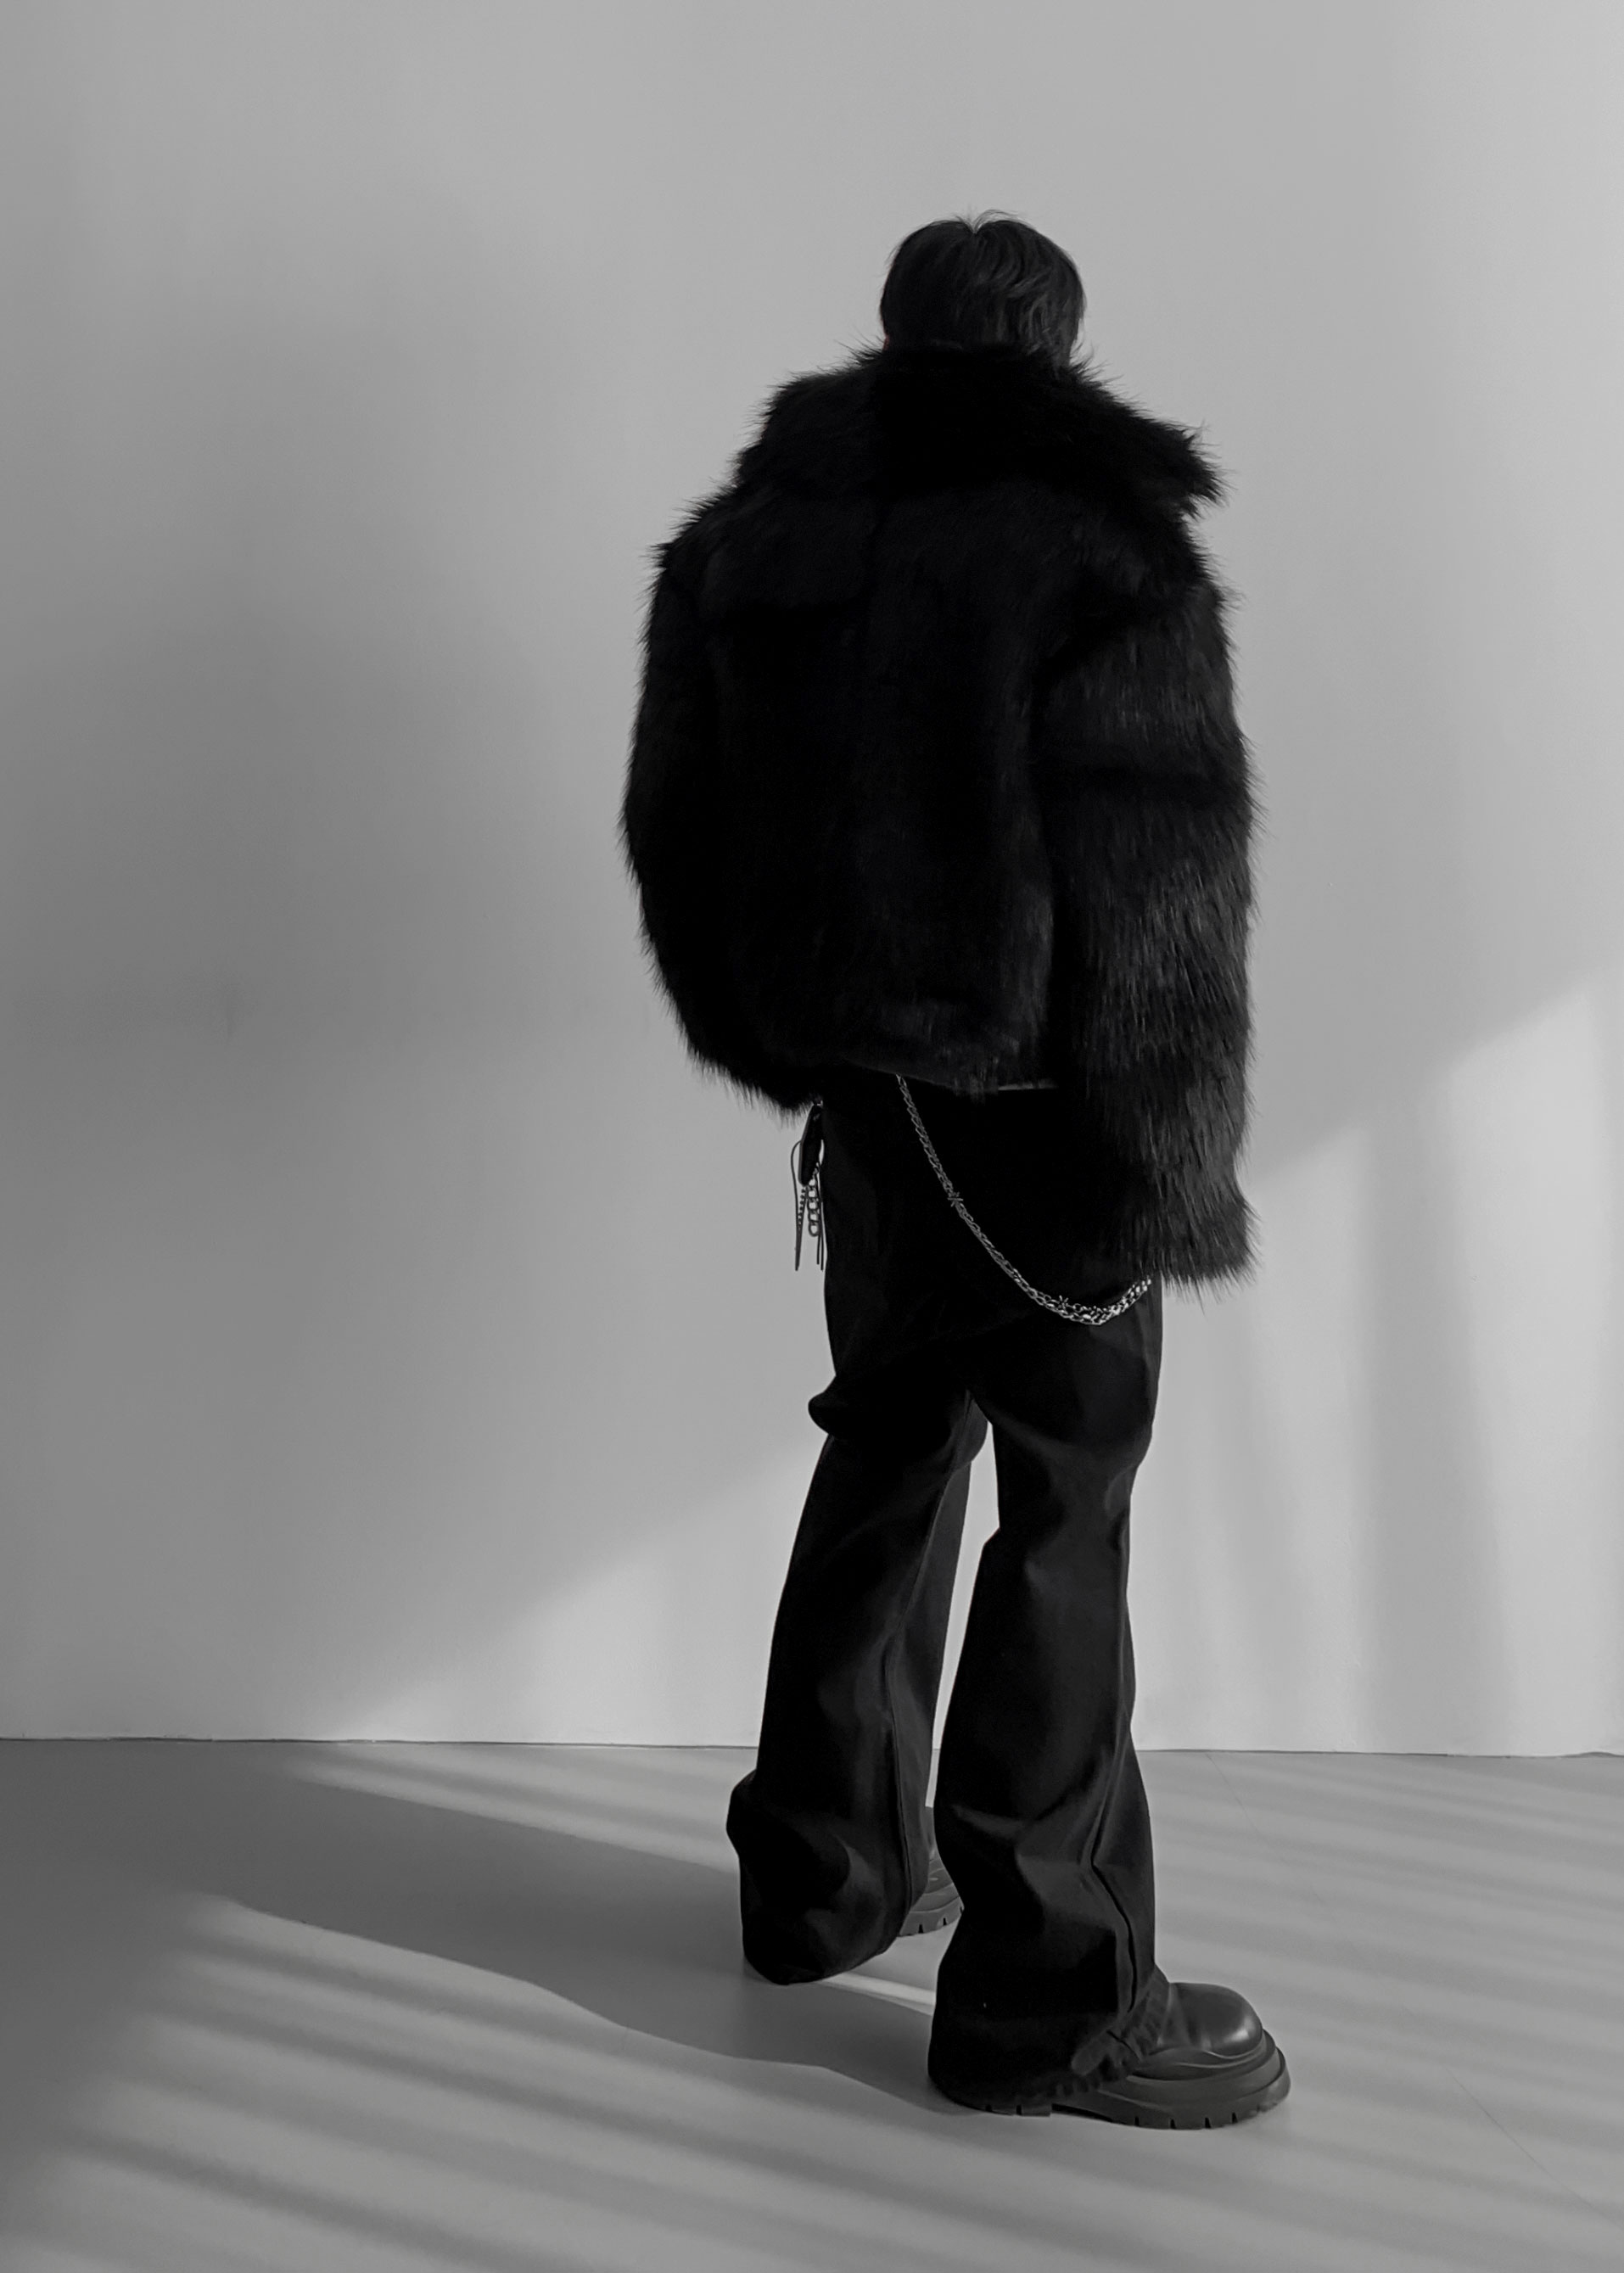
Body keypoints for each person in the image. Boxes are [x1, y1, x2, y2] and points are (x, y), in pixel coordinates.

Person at [618, 211, 1289, 2127]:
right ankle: (1051, 1996)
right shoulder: (1102, 553)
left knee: (891, 1441)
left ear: (899, 333)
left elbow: (678, 834)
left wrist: (810, 1045)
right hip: (1052, 1115)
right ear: (1057, 348)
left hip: (871, 1103)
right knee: (1066, 1505)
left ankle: (822, 1875)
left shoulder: (749, 545)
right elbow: (1159, 895)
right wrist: (1163, 1157)